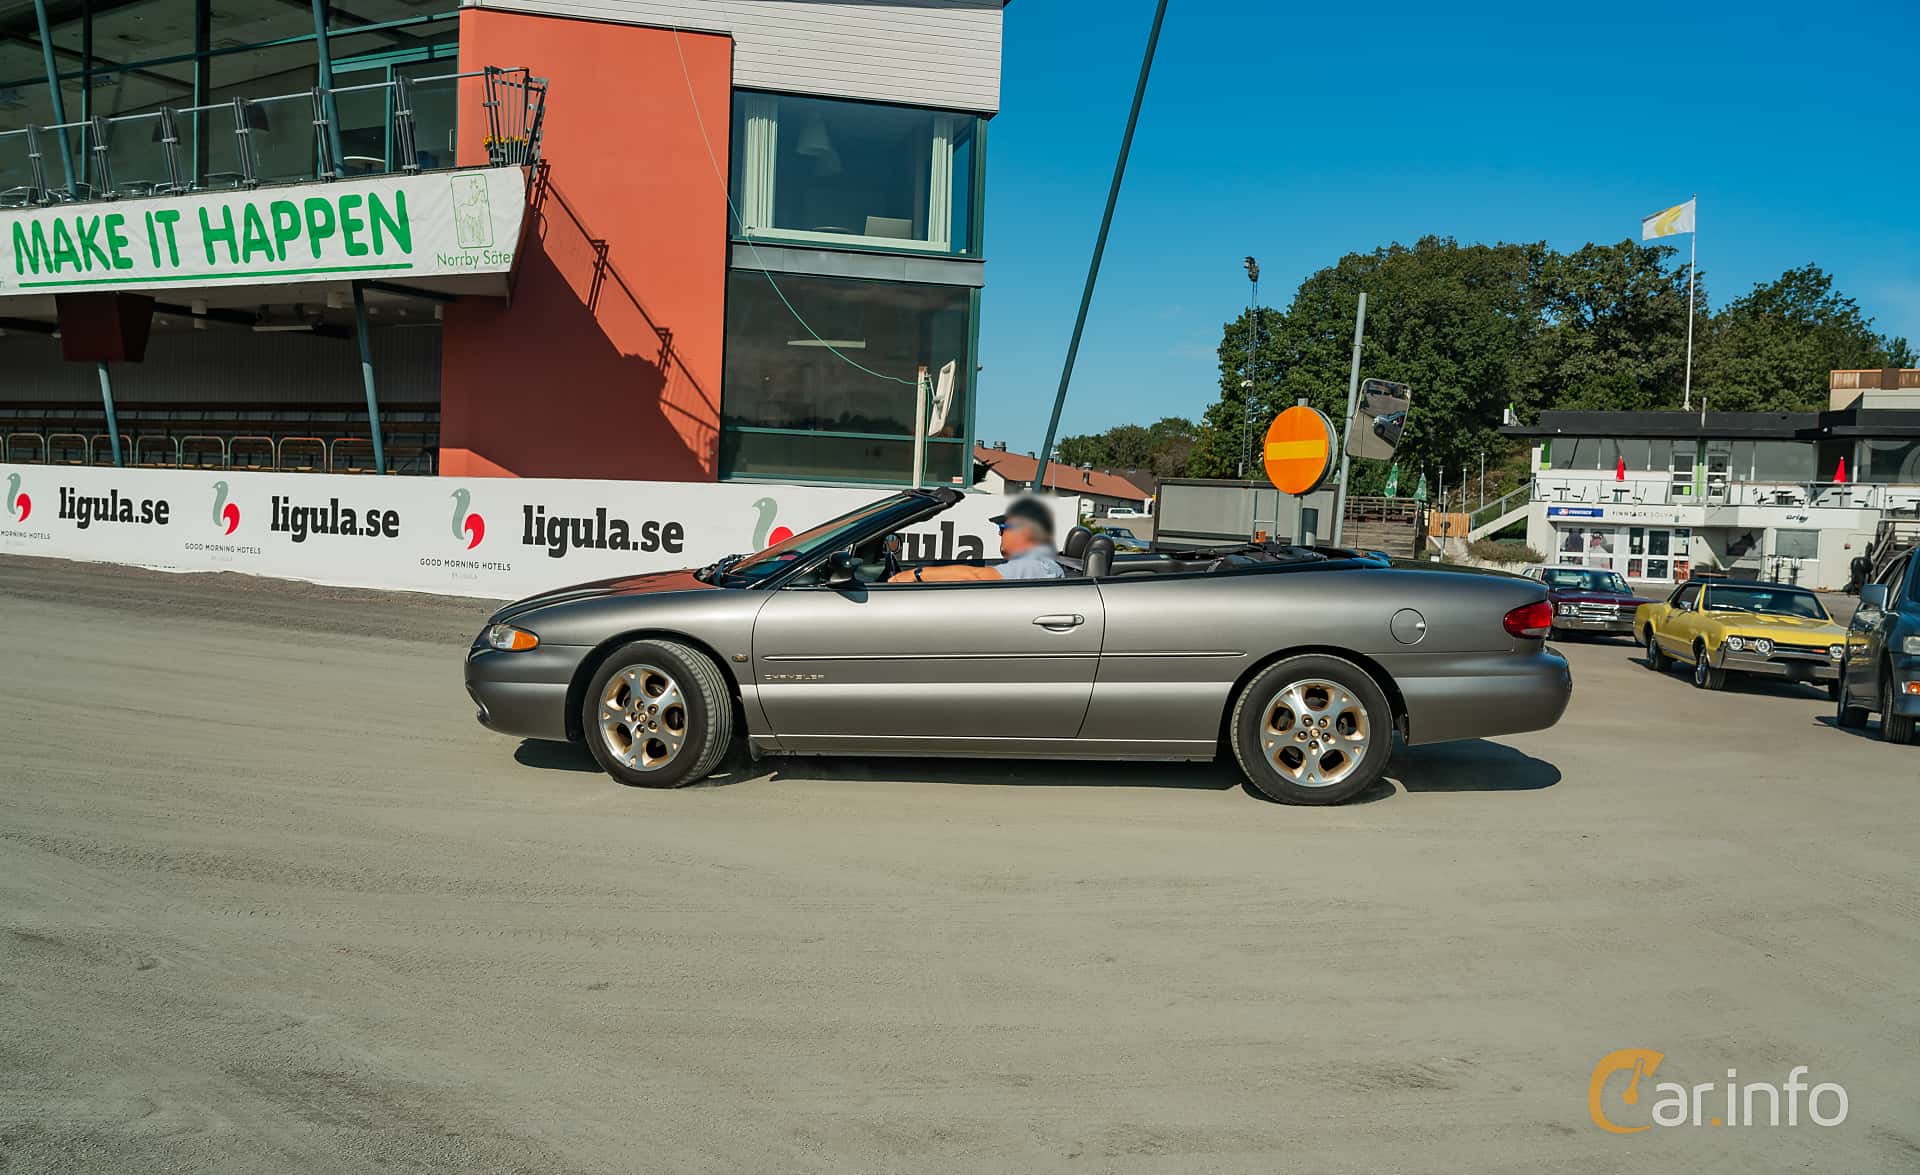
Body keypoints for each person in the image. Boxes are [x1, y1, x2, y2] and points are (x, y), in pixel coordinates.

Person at [889, 496, 1063, 583]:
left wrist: (916, 574)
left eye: (1003, 529)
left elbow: (975, 575)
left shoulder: (1034, 565)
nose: (999, 535)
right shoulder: (1035, 564)